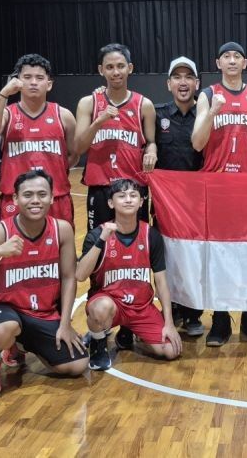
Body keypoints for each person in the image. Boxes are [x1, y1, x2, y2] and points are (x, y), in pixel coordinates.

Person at [0, 170, 87, 398]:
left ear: (52, 198)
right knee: (3, 329)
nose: (35, 200)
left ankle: (18, 345)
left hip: (40, 313)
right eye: (27, 195)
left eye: (42, 194)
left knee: (76, 366)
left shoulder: (62, 229)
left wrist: (65, 324)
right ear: (15, 199)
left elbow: (68, 278)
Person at [74, 43, 158, 351]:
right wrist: (99, 121)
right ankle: (102, 321)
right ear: (101, 71)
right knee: (99, 254)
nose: (115, 72)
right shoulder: (88, 103)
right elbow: (79, 146)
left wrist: (151, 151)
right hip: (100, 190)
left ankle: (130, 320)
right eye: (109, 67)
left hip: (132, 192)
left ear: (130, 69)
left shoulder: (143, 105)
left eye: (120, 66)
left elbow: (150, 142)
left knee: (137, 253)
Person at [191, 41, 247, 346]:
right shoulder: (209, 95)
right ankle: (221, 320)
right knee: (219, 257)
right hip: (218, 188)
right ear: (218, 62)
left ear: (245, 62)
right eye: (226, 56)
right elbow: (198, 143)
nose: (231, 60)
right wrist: (211, 112)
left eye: (236, 56)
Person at [76, 178, 182, 369]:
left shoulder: (151, 235)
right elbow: (80, 275)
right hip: (111, 305)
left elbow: (161, 282)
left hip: (141, 307)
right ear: (110, 202)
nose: (128, 200)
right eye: (121, 195)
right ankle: (98, 345)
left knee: (171, 351)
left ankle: (130, 331)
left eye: (134, 195)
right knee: (100, 309)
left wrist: (169, 323)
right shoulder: (97, 234)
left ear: (141, 201)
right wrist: (101, 240)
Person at [0, 54, 77, 225]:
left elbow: (74, 154)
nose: (33, 82)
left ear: (49, 84)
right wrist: (4, 92)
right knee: (14, 251)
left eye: (39, 78)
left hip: (55, 198)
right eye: (27, 77)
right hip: (15, 199)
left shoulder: (64, 115)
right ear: (17, 81)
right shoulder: (7, 114)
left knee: (60, 249)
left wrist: (56, 167)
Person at [155, 56, 205, 337]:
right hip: (166, 206)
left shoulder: (206, 115)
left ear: (197, 83)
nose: (183, 82)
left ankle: (193, 313)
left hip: (198, 206)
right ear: (169, 83)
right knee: (168, 259)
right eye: (177, 77)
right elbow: (146, 146)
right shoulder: (157, 114)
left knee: (194, 259)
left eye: (188, 77)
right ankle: (170, 310)